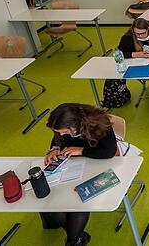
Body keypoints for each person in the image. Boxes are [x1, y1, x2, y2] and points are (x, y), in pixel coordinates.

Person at [40, 103, 117, 245]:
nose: (61, 134)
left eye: (64, 131)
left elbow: (108, 152)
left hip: (100, 161)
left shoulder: (100, 123)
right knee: (53, 200)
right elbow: (58, 139)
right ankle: (75, 239)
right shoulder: (64, 127)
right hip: (75, 166)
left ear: (75, 125)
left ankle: (74, 239)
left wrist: (81, 150)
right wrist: (54, 148)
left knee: (77, 201)